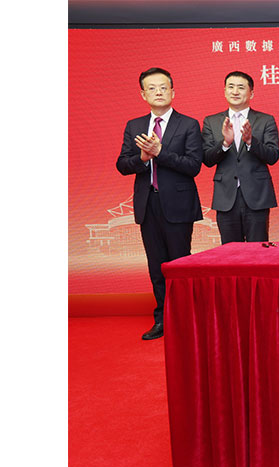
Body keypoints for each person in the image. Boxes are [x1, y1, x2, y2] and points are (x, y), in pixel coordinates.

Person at [116, 67, 203, 340]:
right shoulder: (134, 126)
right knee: (157, 266)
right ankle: (163, 319)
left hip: (178, 204)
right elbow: (122, 164)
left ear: (173, 92)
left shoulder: (188, 124)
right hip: (147, 204)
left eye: (163, 87)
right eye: (152, 88)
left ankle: (186, 319)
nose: (158, 92)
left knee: (180, 265)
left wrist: (160, 153)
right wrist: (143, 158)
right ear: (143, 94)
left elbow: (193, 166)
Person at [201, 71, 279, 243]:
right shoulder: (211, 121)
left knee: (258, 249)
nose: (235, 91)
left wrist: (251, 141)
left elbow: (273, 156)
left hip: (257, 196)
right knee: (229, 251)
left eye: (241, 87)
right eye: (231, 87)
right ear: (225, 91)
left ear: (251, 93)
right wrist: (225, 143)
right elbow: (207, 159)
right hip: (226, 196)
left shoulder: (265, 120)